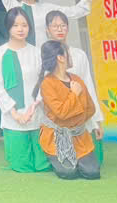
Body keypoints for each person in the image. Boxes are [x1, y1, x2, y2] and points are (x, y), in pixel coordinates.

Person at [0, 8, 51, 173]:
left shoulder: (37, 52)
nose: (20, 29)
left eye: (24, 25)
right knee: (21, 166)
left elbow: (44, 81)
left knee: (42, 164)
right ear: (8, 27)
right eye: (15, 25)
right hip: (13, 116)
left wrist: (34, 107)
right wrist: (15, 113)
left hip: (36, 112)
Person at [44, 10, 106, 163]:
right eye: (55, 26)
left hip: (82, 115)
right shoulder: (44, 55)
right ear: (47, 30)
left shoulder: (79, 55)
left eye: (63, 25)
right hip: (59, 117)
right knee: (66, 164)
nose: (59, 29)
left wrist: (97, 120)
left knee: (94, 162)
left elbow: (88, 86)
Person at [35, 39, 100, 180]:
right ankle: (58, 159)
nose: (70, 56)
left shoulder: (76, 79)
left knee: (92, 173)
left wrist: (76, 122)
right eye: (67, 53)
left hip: (79, 135)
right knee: (69, 173)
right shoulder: (47, 84)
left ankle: (79, 159)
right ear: (60, 57)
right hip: (57, 137)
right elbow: (61, 113)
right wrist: (74, 94)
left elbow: (90, 108)